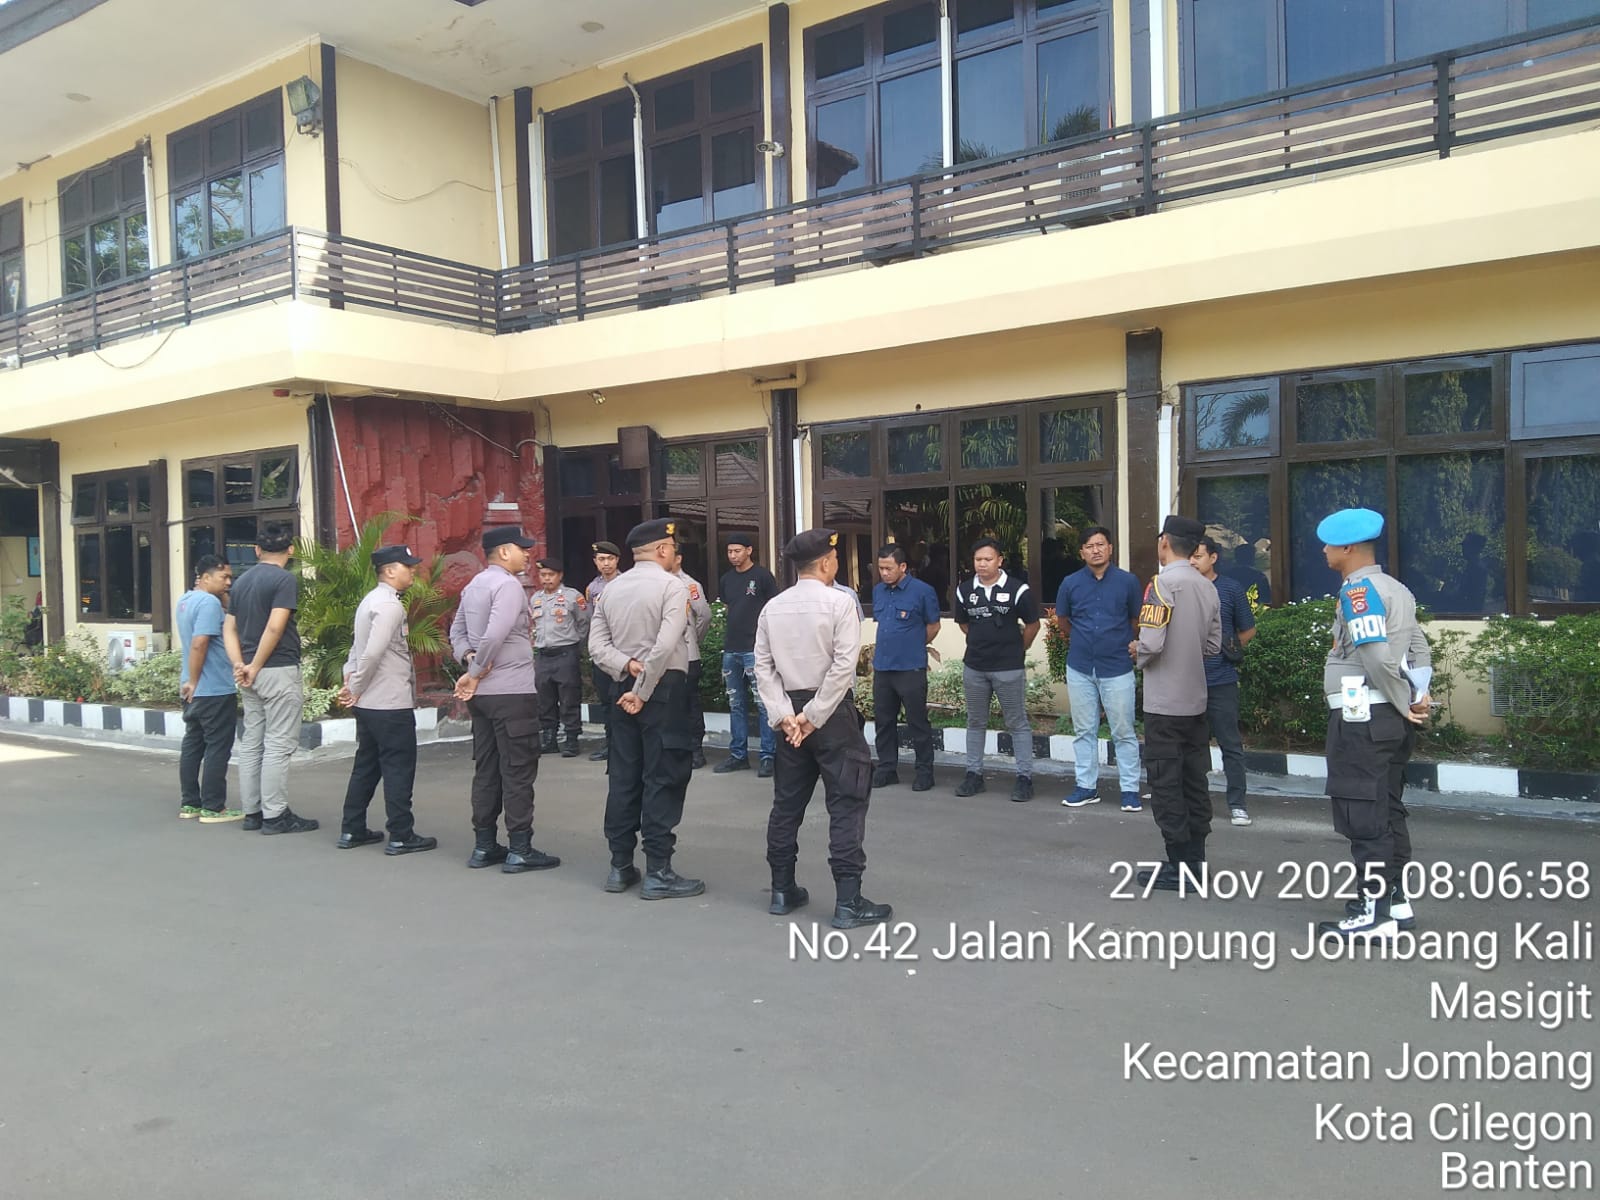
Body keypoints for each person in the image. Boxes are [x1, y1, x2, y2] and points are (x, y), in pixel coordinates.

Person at [755, 528, 892, 929]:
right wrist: (812, 716)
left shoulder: (772, 607)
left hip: (790, 717)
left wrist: (785, 716)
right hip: (830, 713)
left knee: (786, 804)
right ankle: (848, 901)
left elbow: (763, 668)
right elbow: (843, 666)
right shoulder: (839, 602)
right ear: (828, 562)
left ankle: (782, 890)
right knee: (846, 802)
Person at [1319, 507, 1431, 939]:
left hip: (1363, 718)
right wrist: (1420, 692)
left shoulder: (1360, 591)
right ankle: (1396, 903)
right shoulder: (1396, 588)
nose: (1325, 551)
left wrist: (1404, 702)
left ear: (1348, 548)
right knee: (1387, 810)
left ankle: (1373, 914)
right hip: (1386, 721)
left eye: (1330, 545)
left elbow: (1376, 656)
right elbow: (1418, 647)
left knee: (1363, 814)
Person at [589, 518, 703, 899]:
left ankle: (620, 865)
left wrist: (626, 666)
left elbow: (596, 647)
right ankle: (658, 870)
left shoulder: (611, 589)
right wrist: (643, 687)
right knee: (663, 775)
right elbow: (666, 644)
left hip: (621, 687)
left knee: (624, 775)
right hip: (662, 689)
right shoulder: (672, 586)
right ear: (663, 550)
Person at [451, 526, 560, 874]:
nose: (527, 554)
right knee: (517, 772)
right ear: (502, 551)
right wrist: (475, 670)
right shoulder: (508, 585)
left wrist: (468, 658)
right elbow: (495, 634)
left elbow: (457, 632)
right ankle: (519, 849)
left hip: (483, 697)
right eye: (521, 548)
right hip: (512, 693)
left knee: (487, 770)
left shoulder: (474, 585)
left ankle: (484, 845)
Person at [1133, 515, 1221, 892]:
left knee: (1166, 784)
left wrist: (1137, 651)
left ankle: (1179, 866)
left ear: (1165, 542)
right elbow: (1213, 646)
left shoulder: (1161, 584)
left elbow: (1151, 644)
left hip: (1164, 705)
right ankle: (1196, 861)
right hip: (1196, 702)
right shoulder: (1207, 586)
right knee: (1193, 782)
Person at [335, 544, 437, 856]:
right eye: (408, 566)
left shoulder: (370, 600)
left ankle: (352, 828)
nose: (413, 571)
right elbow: (373, 652)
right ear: (390, 570)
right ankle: (401, 834)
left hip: (369, 704)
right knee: (398, 767)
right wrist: (356, 685)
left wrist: (350, 680)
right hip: (389, 702)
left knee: (366, 765)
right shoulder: (390, 606)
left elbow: (357, 649)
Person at [224, 523, 315, 834]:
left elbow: (229, 628)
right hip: (276, 669)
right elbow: (276, 627)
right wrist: (256, 665)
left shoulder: (241, 581)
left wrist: (241, 664)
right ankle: (275, 815)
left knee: (253, 741)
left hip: (250, 672)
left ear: (257, 550)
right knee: (278, 743)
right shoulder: (284, 579)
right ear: (291, 550)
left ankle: (253, 812)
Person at [1053, 526, 1144, 812]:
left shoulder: (1128, 582)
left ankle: (1130, 790)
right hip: (1080, 666)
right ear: (1081, 552)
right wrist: (1084, 640)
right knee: (1084, 730)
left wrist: (1117, 641)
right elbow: (1063, 621)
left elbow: (1135, 620)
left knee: (1124, 731)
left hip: (1116, 666)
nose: (1096, 550)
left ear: (1110, 548)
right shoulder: (1070, 583)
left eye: (1100, 544)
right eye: (1089, 546)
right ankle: (1086, 787)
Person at [952, 539, 1040, 802]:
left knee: (1017, 723)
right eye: (978, 560)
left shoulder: (1018, 589)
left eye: (988, 559)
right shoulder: (964, 590)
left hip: (1008, 668)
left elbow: (1033, 624)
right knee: (975, 721)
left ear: (1000, 560)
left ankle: (1024, 778)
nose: (982, 564)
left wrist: (1018, 649)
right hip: (975, 667)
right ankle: (973, 774)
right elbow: (964, 624)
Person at [1191, 535, 1257, 827]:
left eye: (1198, 556)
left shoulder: (1230, 589)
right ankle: (1196, 801)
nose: (1193, 562)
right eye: (1190, 556)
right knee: (1193, 745)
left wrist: (1228, 648)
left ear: (1213, 558)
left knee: (1230, 744)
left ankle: (1237, 803)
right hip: (1188, 681)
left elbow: (1248, 629)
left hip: (1222, 679)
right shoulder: (1183, 588)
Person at [870, 542, 941, 792]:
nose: (884, 573)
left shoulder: (922, 591)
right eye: (881, 568)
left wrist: (912, 645)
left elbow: (933, 625)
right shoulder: (878, 591)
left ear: (903, 567)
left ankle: (924, 772)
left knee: (917, 722)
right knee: (884, 721)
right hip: (883, 667)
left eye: (888, 568)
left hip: (910, 667)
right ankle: (887, 769)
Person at [176, 555, 241, 823]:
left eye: (230, 578)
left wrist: (190, 682)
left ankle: (190, 803)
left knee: (193, 745)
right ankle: (214, 807)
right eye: (223, 577)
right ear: (205, 577)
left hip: (191, 690)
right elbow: (199, 642)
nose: (228, 583)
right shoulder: (209, 603)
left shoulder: (185, 600)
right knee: (218, 747)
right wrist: (195, 679)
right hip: (213, 688)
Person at [715, 533, 778, 777]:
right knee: (736, 704)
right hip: (731, 650)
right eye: (729, 551)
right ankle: (738, 755)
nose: (733, 556)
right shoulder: (726, 579)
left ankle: (768, 756)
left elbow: (773, 609)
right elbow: (728, 608)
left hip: (756, 650)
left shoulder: (762, 576)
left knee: (763, 704)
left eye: (737, 551)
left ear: (749, 550)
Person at [530, 558, 589, 758]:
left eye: (551, 575)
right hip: (543, 655)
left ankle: (572, 739)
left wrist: (576, 647)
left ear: (560, 575)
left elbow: (584, 623)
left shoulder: (573, 597)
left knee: (569, 697)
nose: (547, 579)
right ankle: (549, 738)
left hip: (565, 653)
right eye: (543, 575)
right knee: (544, 698)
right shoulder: (535, 598)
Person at [669, 542, 713, 769]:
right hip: (663, 657)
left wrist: (693, 639)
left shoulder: (690, 585)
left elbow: (704, 615)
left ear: (678, 558)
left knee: (690, 703)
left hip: (687, 654)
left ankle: (696, 749)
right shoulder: (657, 584)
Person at [585, 541, 623, 761]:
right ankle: (610, 745)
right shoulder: (592, 588)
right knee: (606, 702)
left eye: (610, 559)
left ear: (617, 560)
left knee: (625, 699)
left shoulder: (627, 583)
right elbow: (591, 620)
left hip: (623, 651)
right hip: (602, 653)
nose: (606, 563)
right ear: (595, 562)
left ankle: (626, 746)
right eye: (601, 559)